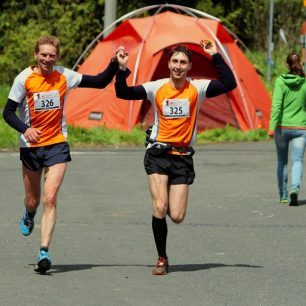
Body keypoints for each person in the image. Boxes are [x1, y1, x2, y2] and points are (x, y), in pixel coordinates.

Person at [115, 41, 237, 275]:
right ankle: (162, 257)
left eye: (183, 62)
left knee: (178, 216)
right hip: (158, 154)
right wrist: (121, 70)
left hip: (182, 158)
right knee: (159, 206)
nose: (178, 66)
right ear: (169, 64)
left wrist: (214, 55)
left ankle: (164, 207)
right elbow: (123, 93)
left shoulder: (197, 88)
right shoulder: (157, 87)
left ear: (189, 66)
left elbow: (229, 83)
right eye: (174, 62)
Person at [3, 34, 122, 273]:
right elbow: (7, 113)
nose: (47, 59)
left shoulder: (64, 75)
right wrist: (26, 129)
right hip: (31, 147)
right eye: (43, 55)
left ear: (57, 57)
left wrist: (114, 63)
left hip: (57, 143)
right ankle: (29, 212)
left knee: (50, 197)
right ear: (36, 55)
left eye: (52, 55)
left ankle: (44, 251)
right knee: (34, 199)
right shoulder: (24, 78)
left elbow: (99, 81)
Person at [268, 52, 306, 206]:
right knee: (297, 160)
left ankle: (283, 195)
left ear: (287, 65)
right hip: (300, 127)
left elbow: (276, 106)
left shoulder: (280, 82)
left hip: (282, 128)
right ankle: (294, 189)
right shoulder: (304, 82)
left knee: (282, 162)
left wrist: (271, 127)